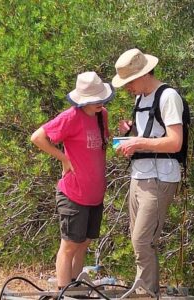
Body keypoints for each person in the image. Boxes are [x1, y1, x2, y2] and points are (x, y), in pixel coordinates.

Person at [31, 71, 114, 289]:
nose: (100, 102)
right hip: (73, 193)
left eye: (101, 98)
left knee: (84, 242)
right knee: (69, 244)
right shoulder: (71, 117)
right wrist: (64, 158)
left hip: (94, 193)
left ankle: (76, 288)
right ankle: (64, 290)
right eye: (94, 99)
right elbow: (38, 137)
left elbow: (101, 144)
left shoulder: (101, 115)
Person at [112, 48, 184, 294]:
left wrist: (138, 142)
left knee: (142, 241)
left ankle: (145, 294)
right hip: (139, 176)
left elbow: (175, 142)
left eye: (129, 82)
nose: (127, 88)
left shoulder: (168, 96)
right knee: (138, 240)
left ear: (144, 74)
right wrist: (130, 134)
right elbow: (148, 135)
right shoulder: (140, 98)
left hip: (160, 177)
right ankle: (145, 291)